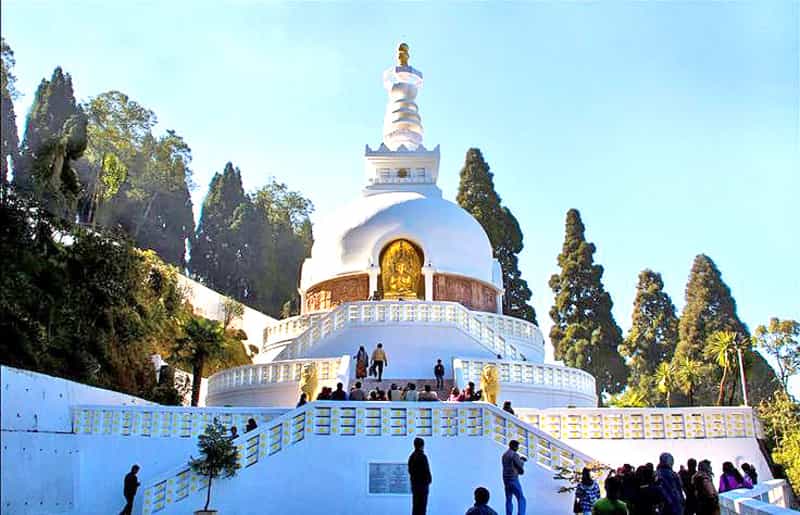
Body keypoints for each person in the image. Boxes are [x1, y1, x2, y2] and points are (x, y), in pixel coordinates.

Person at [408, 437, 432, 515]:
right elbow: (426, 471)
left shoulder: (411, 457)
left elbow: (410, 471)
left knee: (415, 507)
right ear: (422, 446)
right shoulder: (423, 457)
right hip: (423, 487)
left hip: (415, 486)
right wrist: (428, 481)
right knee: (422, 508)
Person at [502, 440, 527, 515]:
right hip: (513, 479)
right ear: (514, 446)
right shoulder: (514, 455)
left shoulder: (504, 455)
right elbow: (520, 468)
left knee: (509, 499)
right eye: (517, 446)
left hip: (506, 480)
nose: (518, 448)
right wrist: (522, 461)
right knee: (521, 499)